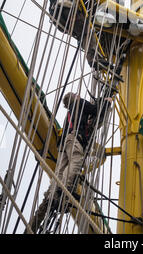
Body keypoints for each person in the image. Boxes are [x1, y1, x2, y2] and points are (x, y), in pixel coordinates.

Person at [27, 92, 97, 233]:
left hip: (64, 143)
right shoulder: (80, 102)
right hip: (74, 139)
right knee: (76, 161)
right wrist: (106, 101)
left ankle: (53, 193)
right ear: (75, 97)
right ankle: (66, 189)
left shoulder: (70, 113)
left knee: (60, 170)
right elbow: (95, 110)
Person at [48, 0, 98, 68]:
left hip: (58, 19)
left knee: (82, 34)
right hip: (68, 11)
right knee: (87, 31)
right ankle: (94, 58)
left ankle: (93, 55)